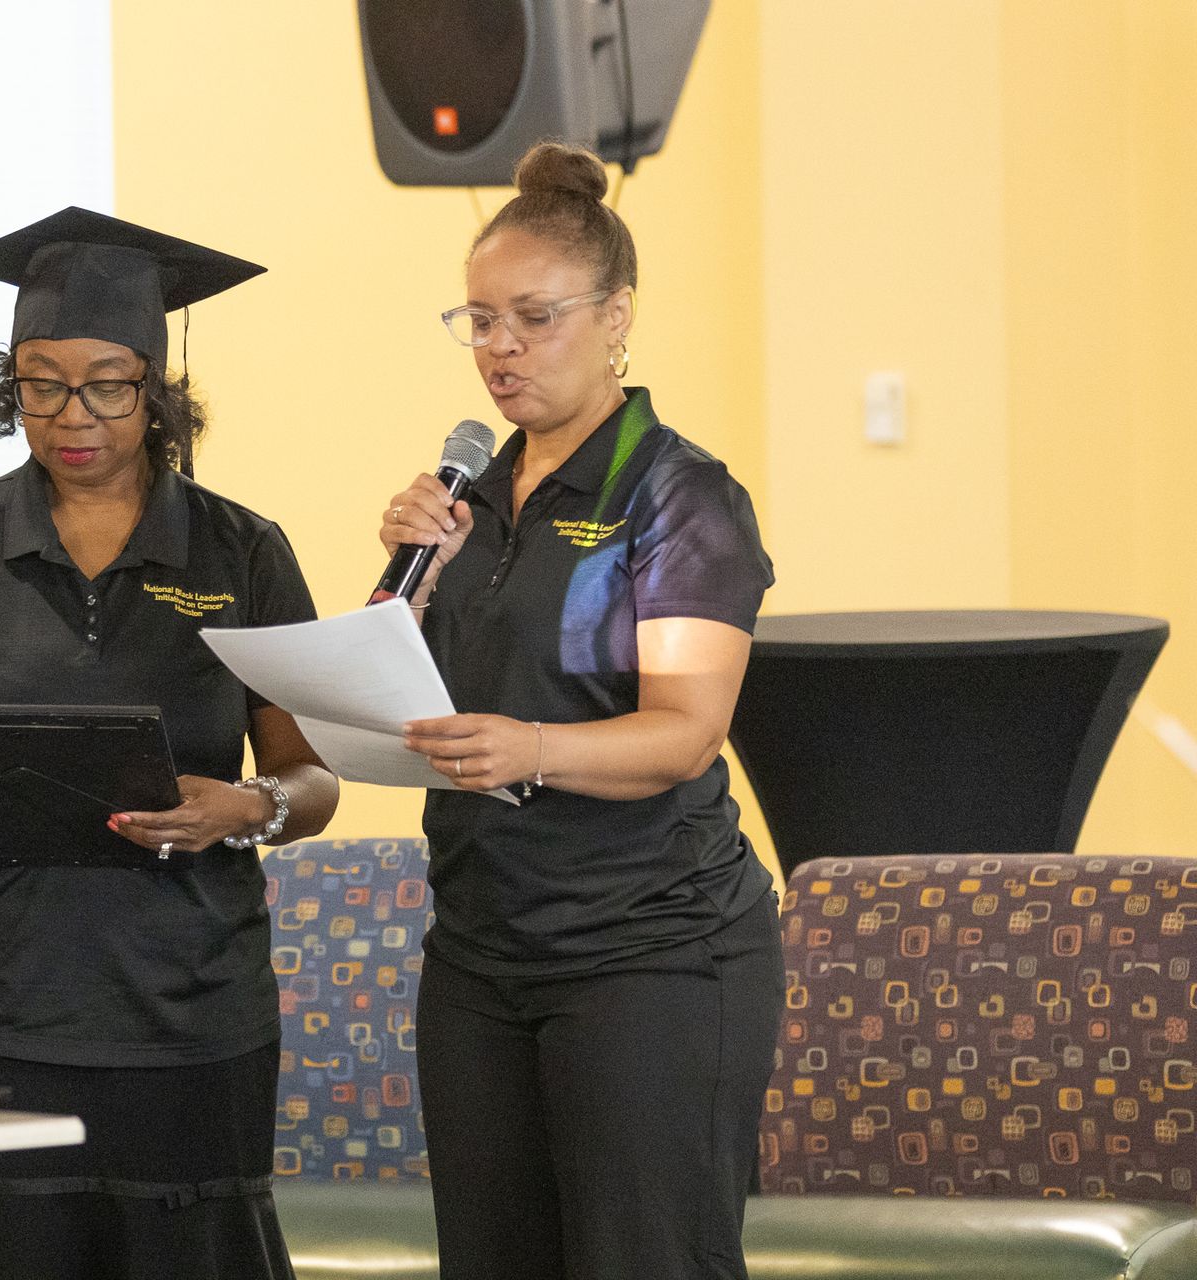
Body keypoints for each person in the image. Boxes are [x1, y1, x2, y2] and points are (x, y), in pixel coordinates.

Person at [0, 207, 339, 1280]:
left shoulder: (243, 551)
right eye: (40, 384)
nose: (73, 415)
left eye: (108, 385)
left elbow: (311, 780)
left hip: (185, 1012)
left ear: (157, 389)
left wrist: (246, 808)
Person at [377, 143, 783, 1280]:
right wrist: (413, 587)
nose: (500, 348)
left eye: (533, 317)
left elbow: (685, 731)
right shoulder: (464, 500)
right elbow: (400, 699)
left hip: (650, 952)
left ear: (616, 318)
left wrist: (534, 748)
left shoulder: (678, 495)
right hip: (480, 951)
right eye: (479, 321)